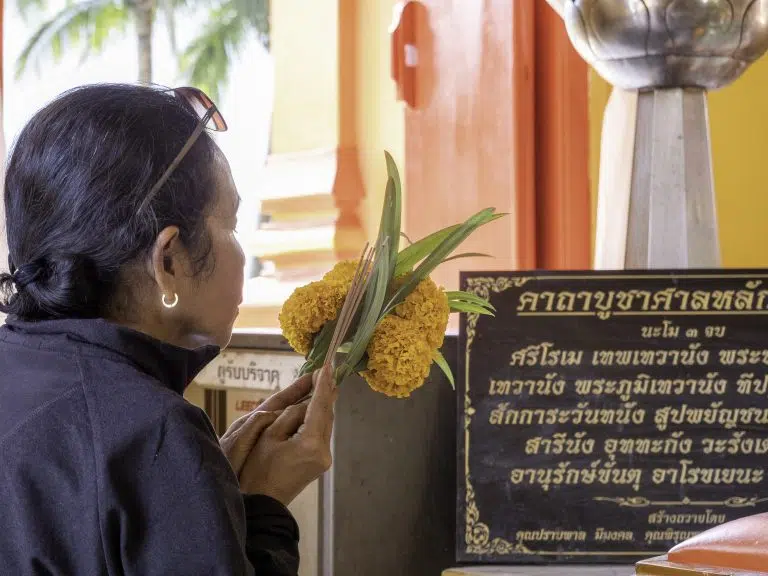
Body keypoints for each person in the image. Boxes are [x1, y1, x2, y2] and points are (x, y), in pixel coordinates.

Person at [0, 83, 337, 575]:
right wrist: (264, 507)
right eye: (233, 223)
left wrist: (200, 496)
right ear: (169, 260)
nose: (245, 253)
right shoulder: (150, 432)